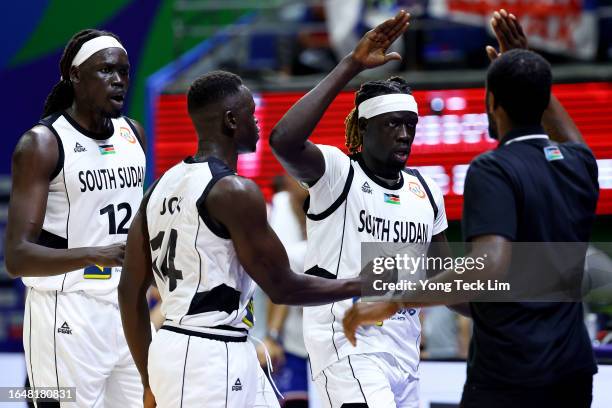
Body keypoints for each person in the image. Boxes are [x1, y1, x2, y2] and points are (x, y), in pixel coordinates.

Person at [342, 10, 599, 408]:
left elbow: (489, 264)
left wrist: (395, 300)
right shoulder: (580, 164)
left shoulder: (493, 167)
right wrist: (526, 71)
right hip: (574, 369)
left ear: (492, 102)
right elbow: (572, 139)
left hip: (511, 372)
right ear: (541, 99)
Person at [118, 70, 363, 408]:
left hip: (207, 347)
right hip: (205, 355)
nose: (258, 121)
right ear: (232, 120)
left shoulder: (158, 187)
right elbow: (283, 287)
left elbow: (129, 291)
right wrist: (361, 284)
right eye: (251, 112)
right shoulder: (234, 191)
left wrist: (148, 377)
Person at [270, 10, 449, 407]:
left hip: (403, 348)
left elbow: (442, 278)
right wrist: (350, 64)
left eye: (410, 125)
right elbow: (283, 140)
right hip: (347, 343)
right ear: (364, 128)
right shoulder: (338, 173)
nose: (404, 134)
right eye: (392, 124)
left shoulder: (427, 190)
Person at [4, 29, 146, 407]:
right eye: (105, 71)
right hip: (64, 310)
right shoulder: (43, 143)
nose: (118, 80)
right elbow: (16, 258)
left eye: (124, 71)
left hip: (127, 307)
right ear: (75, 76)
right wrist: (94, 254)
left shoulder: (134, 134)